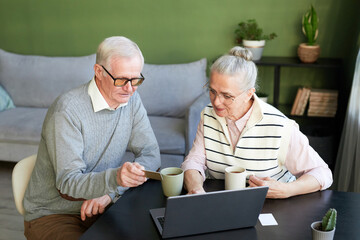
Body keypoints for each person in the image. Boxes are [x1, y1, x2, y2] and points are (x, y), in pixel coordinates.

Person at [23, 36, 161, 239]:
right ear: (98, 71)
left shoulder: (131, 100)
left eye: (136, 80)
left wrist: (110, 194)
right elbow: (68, 184)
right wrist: (115, 178)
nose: (130, 89)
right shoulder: (67, 111)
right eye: (121, 80)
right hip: (54, 213)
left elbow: (151, 153)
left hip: (102, 205)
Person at [182, 46, 333, 199]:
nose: (216, 102)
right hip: (224, 203)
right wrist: (196, 190)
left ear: (249, 94)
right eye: (212, 91)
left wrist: (287, 190)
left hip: (272, 207)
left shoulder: (279, 126)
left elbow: (322, 173)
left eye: (227, 96)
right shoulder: (208, 115)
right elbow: (194, 161)